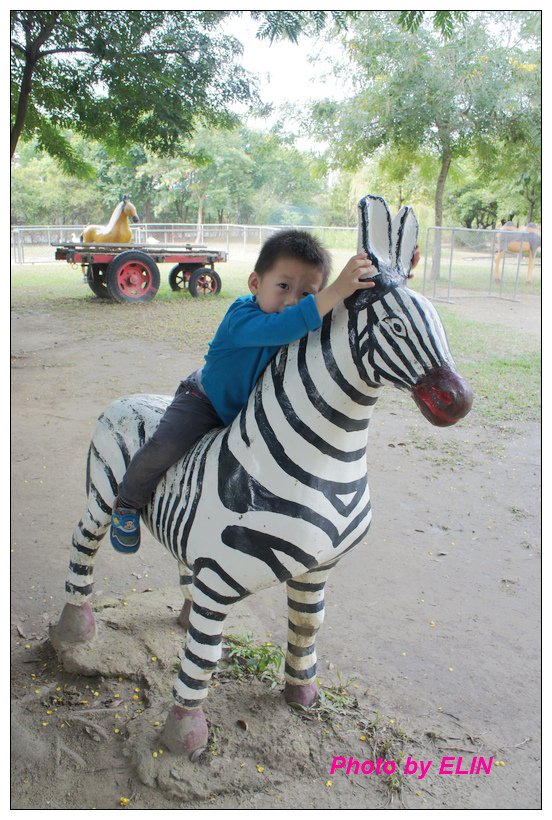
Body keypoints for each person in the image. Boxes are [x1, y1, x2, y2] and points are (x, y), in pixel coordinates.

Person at [110, 229, 382, 554]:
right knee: (164, 446)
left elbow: (343, 316)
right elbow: (285, 326)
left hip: (249, 411)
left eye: (307, 294)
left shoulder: (301, 320)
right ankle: (127, 502)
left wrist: (385, 275)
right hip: (205, 399)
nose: (293, 300)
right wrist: (334, 289)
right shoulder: (241, 317)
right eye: (283, 286)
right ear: (255, 284)